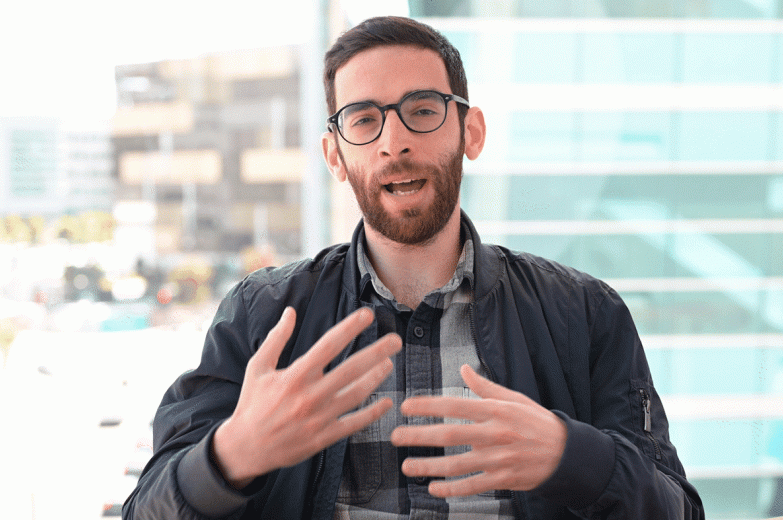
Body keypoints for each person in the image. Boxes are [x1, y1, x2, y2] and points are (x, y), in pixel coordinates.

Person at [123, 16, 704, 520]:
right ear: (335, 154)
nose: (394, 141)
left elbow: (678, 511)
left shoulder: (584, 312)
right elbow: (147, 508)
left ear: (469, 132)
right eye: (363, 120)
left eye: (422, 110)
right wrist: (235, 453)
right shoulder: (263, 314)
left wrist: (567, 456)